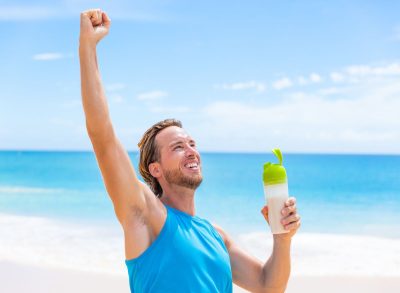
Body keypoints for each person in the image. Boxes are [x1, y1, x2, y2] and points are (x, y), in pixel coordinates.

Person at [79, 9, 301, 293]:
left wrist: (282, 237)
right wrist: (88, 47)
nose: (192, 151)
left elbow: (269, 286)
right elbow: (102, 135)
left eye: (193, 144)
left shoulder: (216, 236)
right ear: (155, 169)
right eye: (178, 147)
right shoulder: (146, 215)